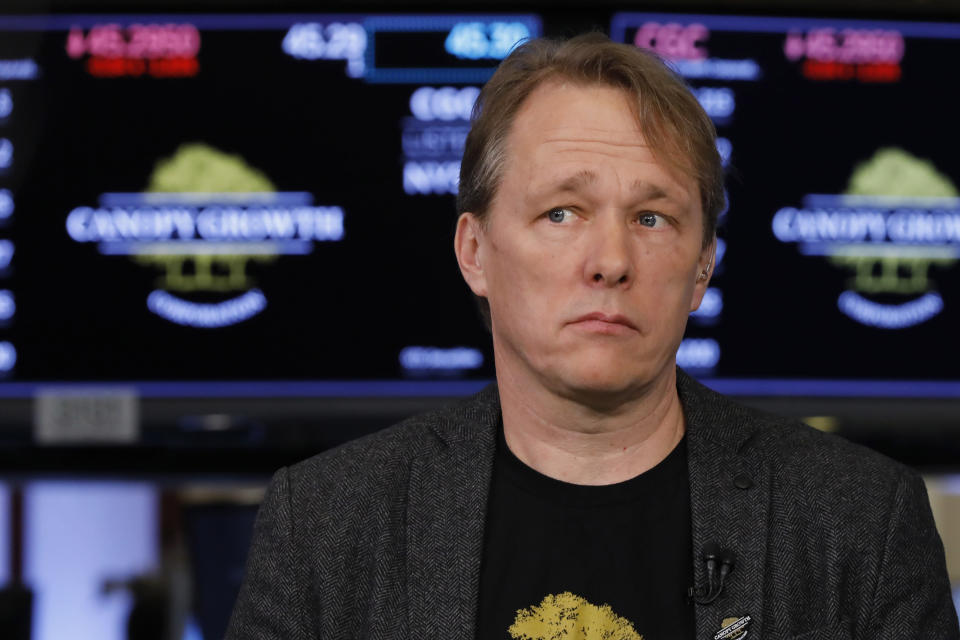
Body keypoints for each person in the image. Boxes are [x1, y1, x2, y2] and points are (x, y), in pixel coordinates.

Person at [226, 33, 958, 640]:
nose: (610, 262)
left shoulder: (864, 523)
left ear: (702, 269)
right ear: (474, 252)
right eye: (562, 213)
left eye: (652, 219)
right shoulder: (323, 525)